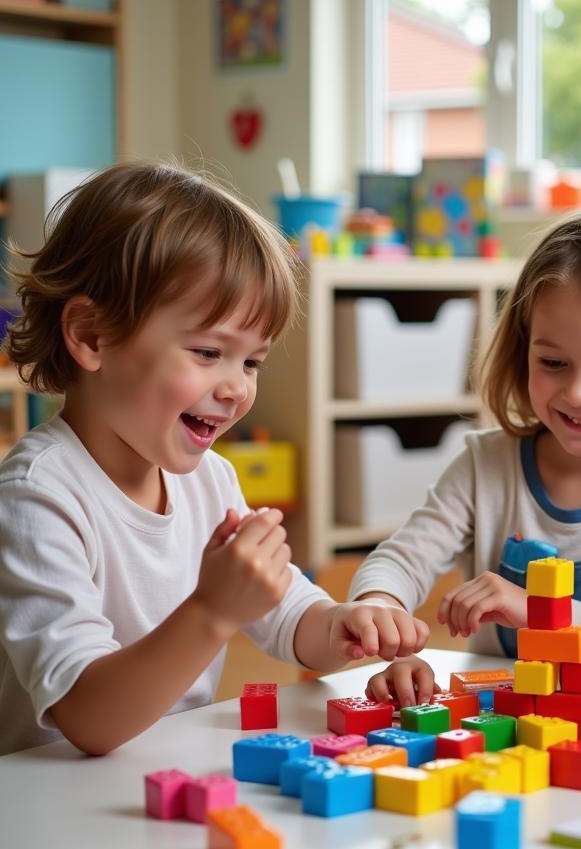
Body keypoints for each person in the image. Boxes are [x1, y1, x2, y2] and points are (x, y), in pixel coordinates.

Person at [0, 162, 428, 757]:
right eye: (208, 352)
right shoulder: (38, 496)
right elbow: (86, 717)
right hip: (53, 801)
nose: (237, 389)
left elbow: (286, 617)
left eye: (251, 362)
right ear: (92, 336)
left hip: (164, 783)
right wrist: (211, 611)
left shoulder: (210, 478)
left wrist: (344, 627)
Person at [353, 202, 581, 706]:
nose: (578, 393)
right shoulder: (485, 464)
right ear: (524, 346)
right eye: (553, 362)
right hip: (507, 734)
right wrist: (382, 606)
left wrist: (538, 610)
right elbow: (401, 561)